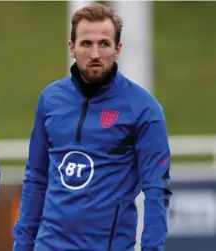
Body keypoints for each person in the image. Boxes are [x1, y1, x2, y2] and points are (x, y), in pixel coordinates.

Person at [13, 3, 171, 251]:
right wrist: (22, 245)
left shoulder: (144, 109)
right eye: (86, 43)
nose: (95, 53)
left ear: (118, 49)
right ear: (72, 48)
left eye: (104, 44)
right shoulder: (50, 99)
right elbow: (36, 178)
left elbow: (156, 190)